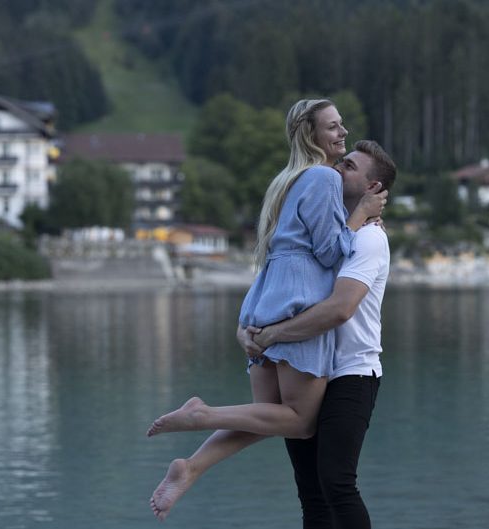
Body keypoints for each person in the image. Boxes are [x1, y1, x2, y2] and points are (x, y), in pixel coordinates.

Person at [146, 99, 387, 520]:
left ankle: (193, 466)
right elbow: (328, 254)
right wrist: (359, 217)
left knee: (268, 416)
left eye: (342, 127)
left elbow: (287, 249)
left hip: (268, 297)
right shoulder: (322, 178)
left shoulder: (287, 180)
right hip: (297, 301)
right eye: (333, 127)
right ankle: (201, 414)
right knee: (298, 421)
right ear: (311, 134)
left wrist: (249, 323)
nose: (342, 134)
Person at [248, 139, 396, 529]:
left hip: (351, 372)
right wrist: (248, 330)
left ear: (372, 188)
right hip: (310, 368)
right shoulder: (326, 233)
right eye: (342, 160)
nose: (338, 166)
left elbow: (338, 309)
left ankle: (198, 424)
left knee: (337, 484)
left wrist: (272, 336)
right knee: (311, 492)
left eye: (349, 166)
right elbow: (282, 286)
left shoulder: (369, 238)